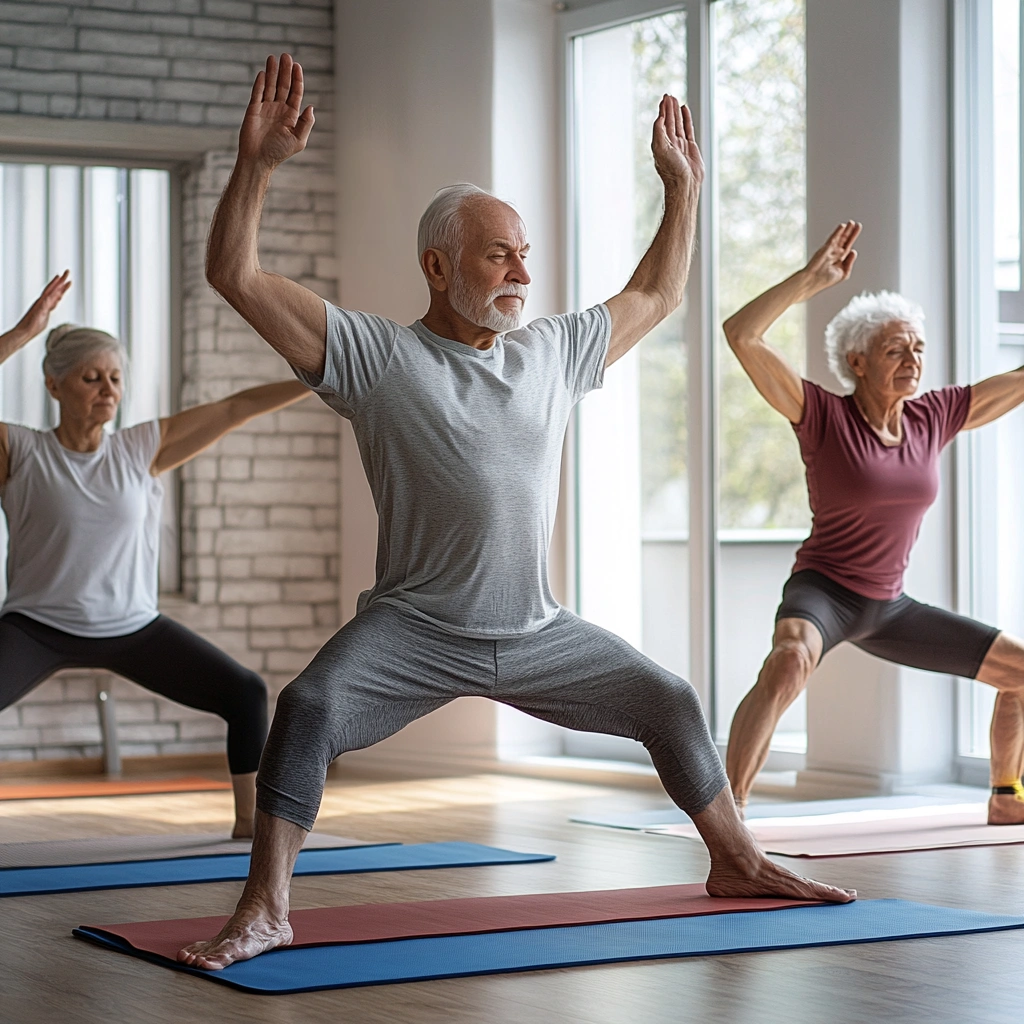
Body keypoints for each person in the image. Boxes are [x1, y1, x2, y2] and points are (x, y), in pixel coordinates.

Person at [178, 53, 853, 971]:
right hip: (413, 629)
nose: (520, 270)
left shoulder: (553, 352)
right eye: (499, 253)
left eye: (524, 254)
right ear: (437, 263)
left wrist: (683, 189)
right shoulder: (372, 356)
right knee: (307, 708)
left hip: (536, 629)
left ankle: (736, 860)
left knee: (669, 698)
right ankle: (266, 909)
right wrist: (255, 166)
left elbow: (660, 293)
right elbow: (235, 274)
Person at [723, 222, 1024, 824]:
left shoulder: (932, 416)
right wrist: (809, 281)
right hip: (824, 591)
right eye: (895, 350)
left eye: (917, 348)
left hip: (889, 606)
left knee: (1020, 672)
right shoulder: (822, 415)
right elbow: (742, 334)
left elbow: (1016, 383)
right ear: (857, 362)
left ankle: (1005, 798)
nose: (912, 360)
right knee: (788, 661)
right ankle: (727, 816)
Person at [0, 272, 311, 838]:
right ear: (54, 385)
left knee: (245, 691)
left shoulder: (140, 447)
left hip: (132, 626)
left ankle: (250, 825)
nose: (108, 389)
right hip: (36, 624)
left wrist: (321, 376)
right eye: (91, 377)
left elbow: (235, 407)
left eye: (115, 377)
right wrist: (23, 332)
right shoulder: (18, 450)